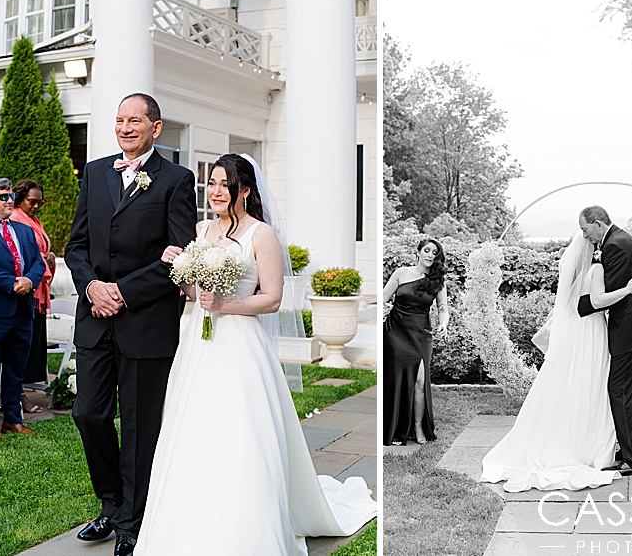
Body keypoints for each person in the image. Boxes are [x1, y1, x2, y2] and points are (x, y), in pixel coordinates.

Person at [136, 154, 377, 554]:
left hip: (240, 344)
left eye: (224, 185)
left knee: (240, 428)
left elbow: (272, 298)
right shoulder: (200, 230)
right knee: (190, 426)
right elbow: (194, 295)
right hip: (198, 341)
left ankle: (246, 524)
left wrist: (226, 306)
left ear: (245, 190)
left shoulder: (260, 234)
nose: (215, 191)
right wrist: (180, 270)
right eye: (211, 183)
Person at [64, 93, 196, 556]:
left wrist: (124, 292)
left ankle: (131, 523)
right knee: (89, 414)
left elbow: (181, 256)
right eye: (119, 120)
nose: (124, 127)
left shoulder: (177, 180)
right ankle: (110, 503)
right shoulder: (96, 173)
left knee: (141, 428)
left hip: (145, 322)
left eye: (134, 120)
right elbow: (75, 245)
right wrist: (92, 287)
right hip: (95, 319)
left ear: (155, 128)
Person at [480, 232, 632, 491]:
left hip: (575, 333)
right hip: (592, 332)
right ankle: (590, 440)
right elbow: (598, 301)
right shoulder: (597, 269)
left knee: (572, 382)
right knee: (593, 383)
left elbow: (574, 306)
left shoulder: (574, 276)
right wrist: (628, 290)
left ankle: (571, 433)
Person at [578, 205, 632, 477]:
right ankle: (629, 452)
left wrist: (577, 305)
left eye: (585, 229)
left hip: (631, 327)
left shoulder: (614, 245)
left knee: (620, 391)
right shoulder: (619, 239)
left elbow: (606, 294)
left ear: (599, 223)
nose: (584, 235)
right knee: (628, 392)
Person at [0, 178, 46, 439]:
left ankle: (12, 420)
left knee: (16, 370)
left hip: (21, 311)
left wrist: (29, 280)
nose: (10, 201)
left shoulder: (24, 231)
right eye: (3, 196)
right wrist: (11, 282)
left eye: (10, 196)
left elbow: (38, 263)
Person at [383, 238, 449, 446]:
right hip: (395, 332)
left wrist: (444, 324)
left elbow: (443, 308)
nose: (430, 255)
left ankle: (418, 427)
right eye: (427, 250)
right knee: (397, 379)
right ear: (418, 252)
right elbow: (383, 298)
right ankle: (396, 429)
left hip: (421, 334)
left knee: (420, 382)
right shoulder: (401, 273)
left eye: (434, 252)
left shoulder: (437, 281)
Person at [11, 179, 55, 413]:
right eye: (33, 201)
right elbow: (22, 253)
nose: (37, 206)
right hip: (26, 291)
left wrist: (50, 256)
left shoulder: (33, 220)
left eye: (41, 202)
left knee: (30, 347)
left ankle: (20, 392)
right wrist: (44, 259)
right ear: (20, 199)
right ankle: (17, 395)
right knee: (21, 348)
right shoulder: (17, 217)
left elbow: (43, 249)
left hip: (38, 290)